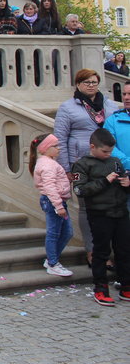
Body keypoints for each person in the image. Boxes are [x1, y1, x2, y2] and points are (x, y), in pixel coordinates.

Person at [54, 68, 120, 268]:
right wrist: (66, 168)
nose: (91, 86)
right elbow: (60, 138)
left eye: (94, 82)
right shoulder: (67, 107)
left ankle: (108, 251)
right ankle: (92, 251)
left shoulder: (110, 105)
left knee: (110, 206)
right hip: (80, 163)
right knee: (85, 208)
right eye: (86, 82)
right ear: (78, 84)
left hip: (108, 162)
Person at [71, 128, 130, 306]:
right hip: (99, 214)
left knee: (124, 250)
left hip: (120, 212)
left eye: (110, 151)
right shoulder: (81, 165)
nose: (108, 154)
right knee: (101, 252)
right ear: (92, 147)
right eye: (104, 151)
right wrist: (104, 181)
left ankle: (126, 286)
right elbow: (79, 190)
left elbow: (124, 184)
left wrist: (127, 183)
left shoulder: (115, 161)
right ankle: (101, 289)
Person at [28, 133, 74, 277]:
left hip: (57, 201)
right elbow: (49, 186)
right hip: (53, 202)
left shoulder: (50, 162)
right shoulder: (47, 164)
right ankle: (53, 263)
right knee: (54, 233)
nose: (59, 148)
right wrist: (58, 206)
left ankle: (51, 260)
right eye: (55, 146)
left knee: (67, 232)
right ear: (45, 148)